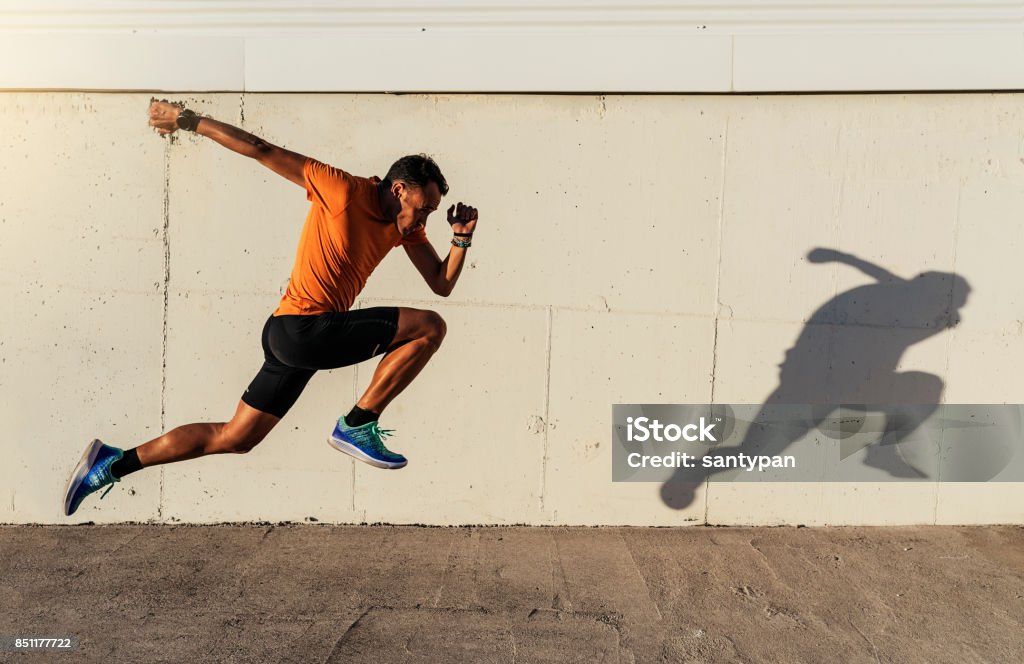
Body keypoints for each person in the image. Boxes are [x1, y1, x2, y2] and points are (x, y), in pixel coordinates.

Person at [63, 100, 479, 516]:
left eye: (431, 212)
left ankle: (111, 464)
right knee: (430, 327)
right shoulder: (342, 190)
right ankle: (358, 423)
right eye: (423, 207)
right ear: (398, 189)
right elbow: (261, 149)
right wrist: (188, 121)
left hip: (291, 338)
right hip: (303, 329)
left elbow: (441, 283)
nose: (424, 217)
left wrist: (460, 238)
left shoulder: (405, 229)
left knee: (235, 437)